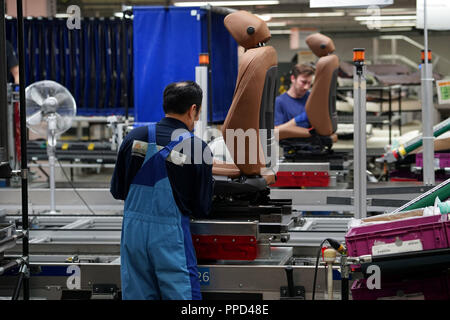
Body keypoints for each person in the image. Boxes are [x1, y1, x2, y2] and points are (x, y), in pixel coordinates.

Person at [110, 81, 214, 300]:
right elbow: (202, 207)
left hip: (133, 235)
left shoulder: (133, 137)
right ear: (193, 110)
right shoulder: (197, 147)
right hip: (169, 238)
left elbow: (118, 191)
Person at [274, 64, 315, 138]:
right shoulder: (279, 102)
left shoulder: (311, 98)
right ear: (293, 78)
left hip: (313, 145)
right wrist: (297, 120)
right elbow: (276, 132)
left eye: (309, 83)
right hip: (292, 147)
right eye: (303, 82)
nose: (306, 87)